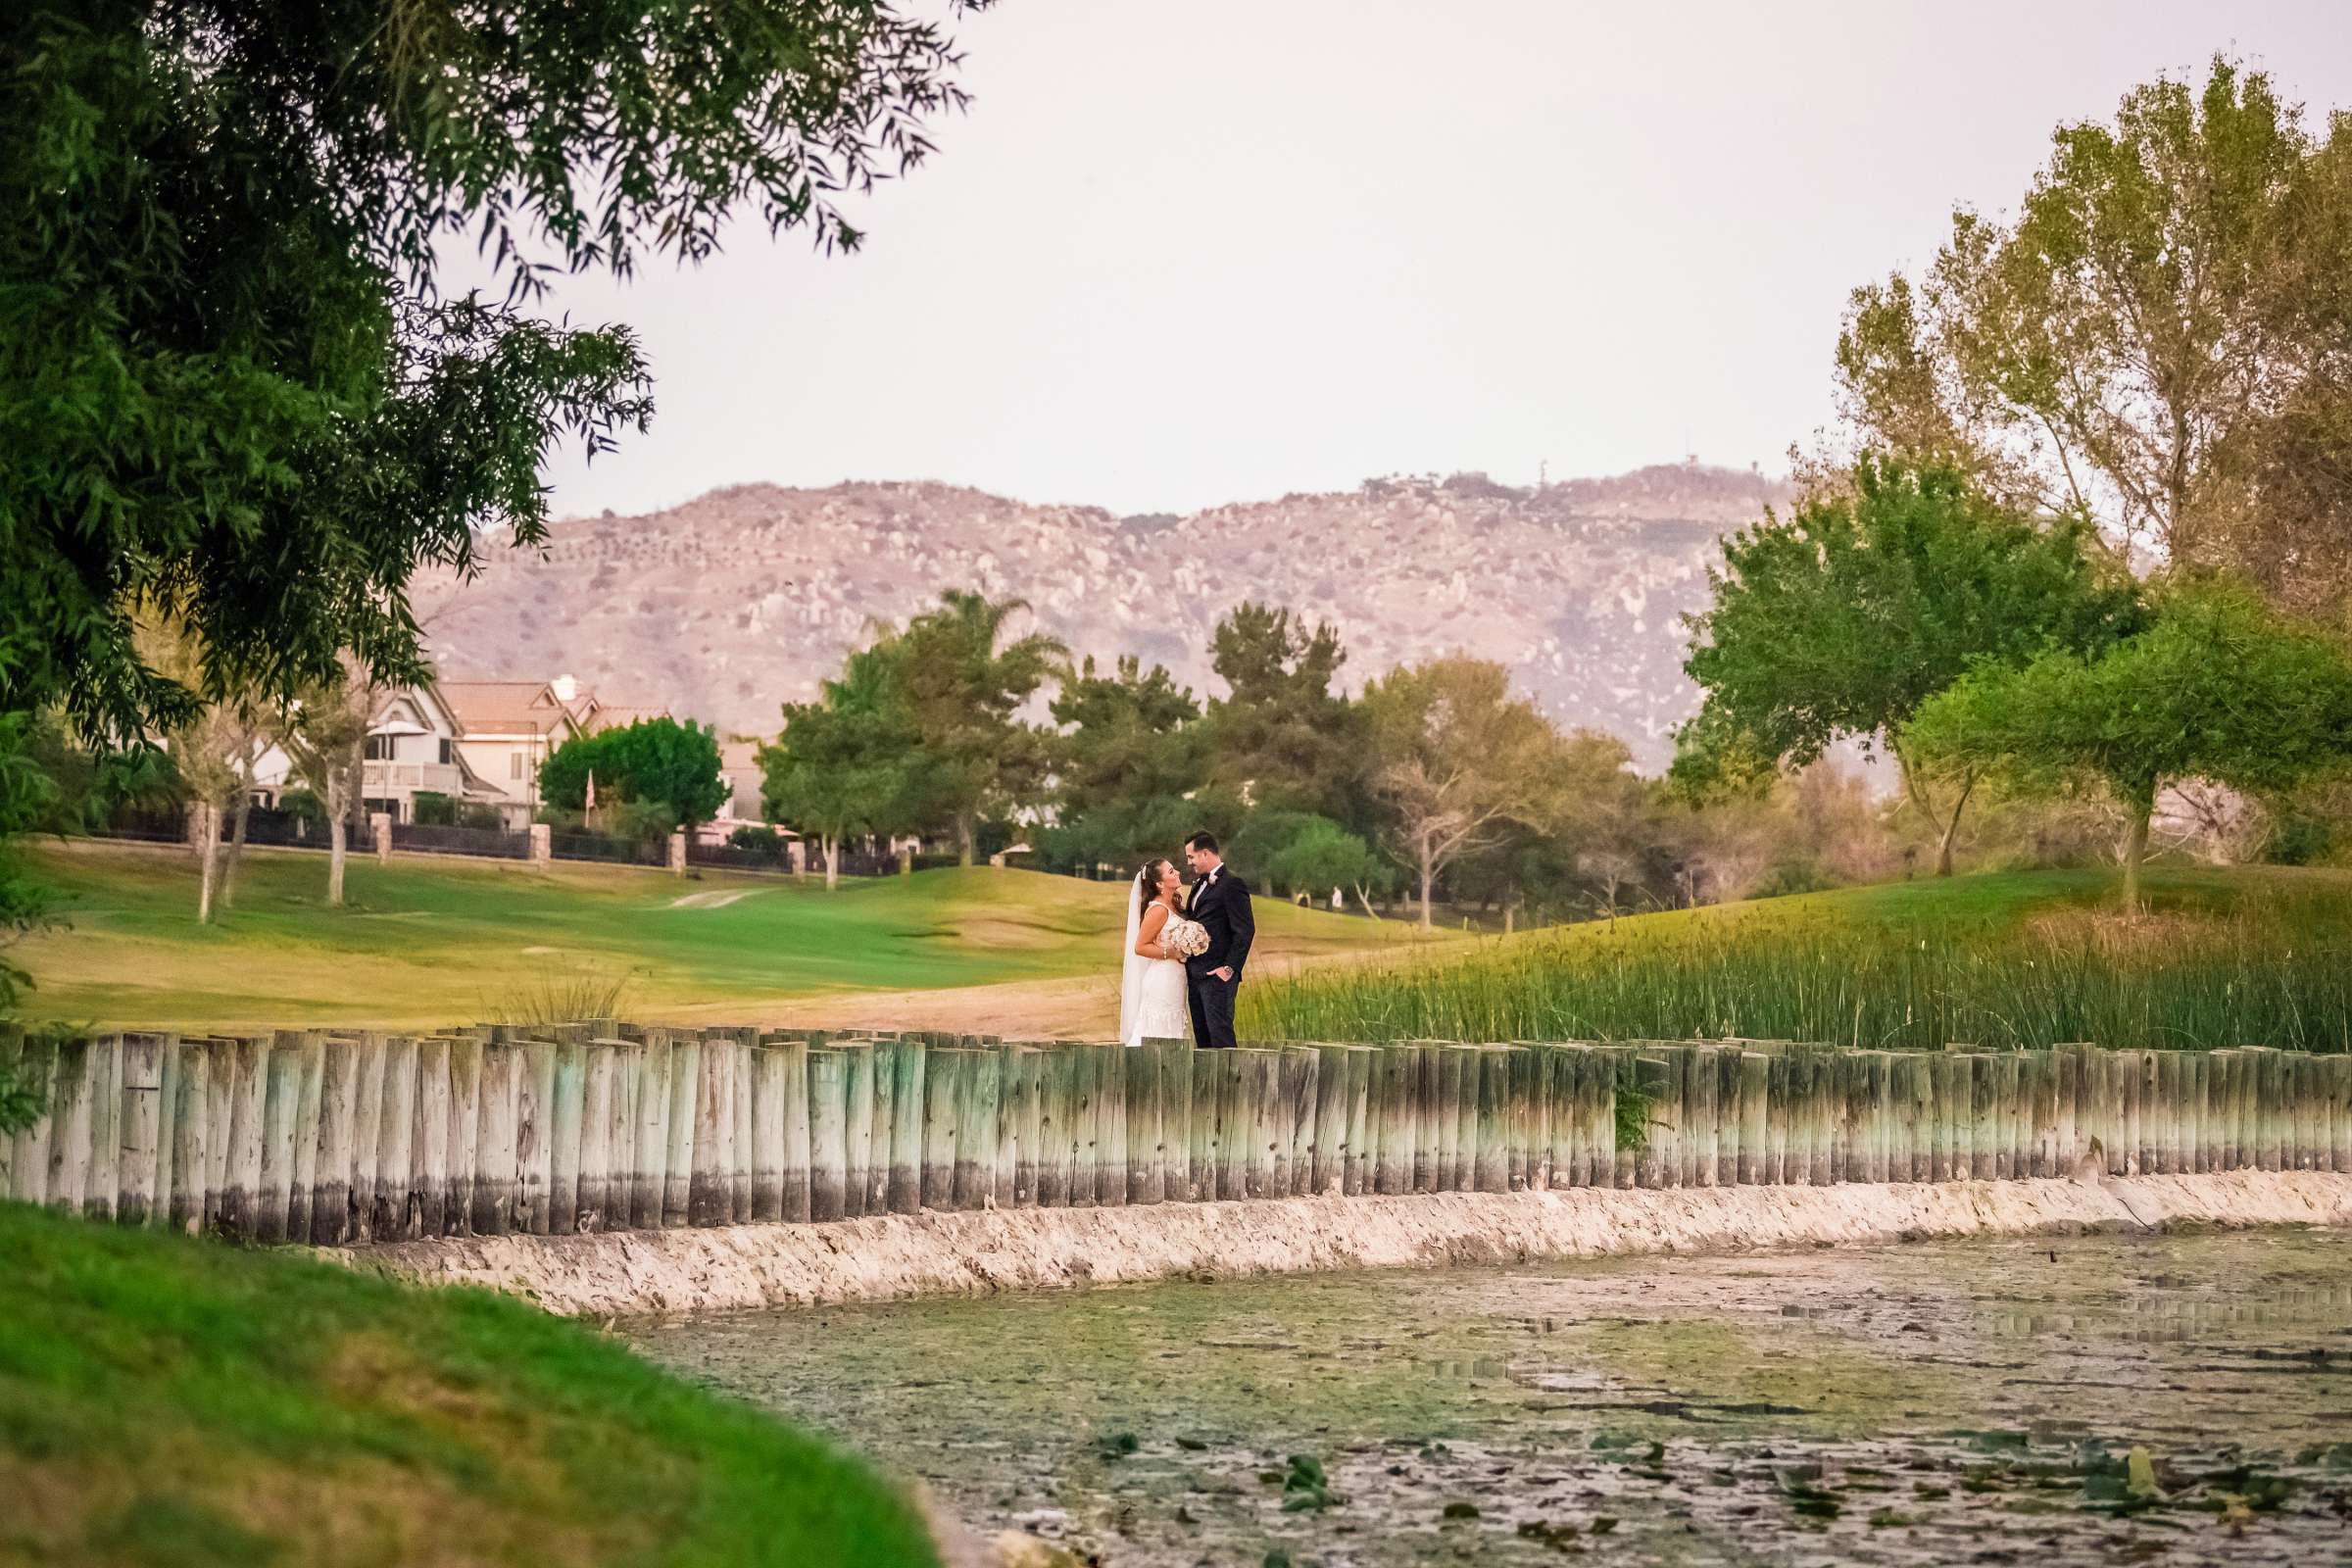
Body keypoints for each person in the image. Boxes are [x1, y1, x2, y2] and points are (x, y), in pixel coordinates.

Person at [1181, 831, 1253, 1050]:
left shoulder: (1232, 884)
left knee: (1221, 1039)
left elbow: (1245, 930)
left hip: (1217, 978)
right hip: (1195, 976)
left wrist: (1229, 969)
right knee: (1202, 1042)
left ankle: (1229, 1084)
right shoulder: (1197, 885)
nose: (1188, 862)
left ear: (1204, 853)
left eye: (1190, 857)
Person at [1117, 857, 1192, 1048]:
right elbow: (1140, 946)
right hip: (1163, 979)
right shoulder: (1157, 910)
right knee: (1160, 1027)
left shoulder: (1173, 905)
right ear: (1160, 883)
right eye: (1171, 871)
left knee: (1173, 1026)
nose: (1177, 873)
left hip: (1177, 977)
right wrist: (1173, 952)